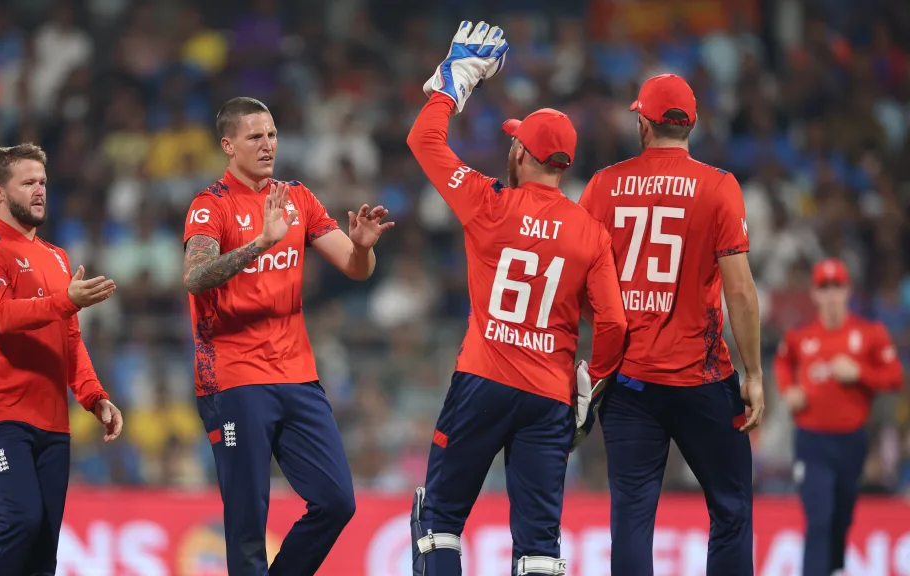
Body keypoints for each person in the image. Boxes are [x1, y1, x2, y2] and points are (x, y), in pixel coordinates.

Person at [406, 21, 627, 576]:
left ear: (522, 154)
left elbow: (423, 140)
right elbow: (615, 325)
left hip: (481, 380)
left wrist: (455, 79)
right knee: (538, 547)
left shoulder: (488, 202)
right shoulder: (590, 232)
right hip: (550, 397)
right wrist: (589, 392)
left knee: (438, 524)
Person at [181, 96, 393, 576]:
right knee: (247, 520)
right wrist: (260, 243)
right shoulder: (210, 205)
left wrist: (362, 248)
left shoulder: (297, 198)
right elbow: (194, 277)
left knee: (337, 501)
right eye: (255, 136)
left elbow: (355, 268)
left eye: (272, 134)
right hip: (233, 379)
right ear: (228, 145)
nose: (267, 144)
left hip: (297, 375)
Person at [578, 73, 765, 576]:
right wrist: (754, 374)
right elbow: (741, 290)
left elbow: (573, 279)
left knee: (633, 519)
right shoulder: (719, 187)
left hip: (629, 380)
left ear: (643, 122)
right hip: (702, 379)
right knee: (730, 508)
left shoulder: (603, 186)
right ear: (692, 124)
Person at [0, 143, 124, 576]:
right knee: (20, 519)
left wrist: (93, 396)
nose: (39, 191)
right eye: (27, 183)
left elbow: (70, 338)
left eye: (43, 183)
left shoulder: (57, 258)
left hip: (52, 422)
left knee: (44, 542)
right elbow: (4, 317)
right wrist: (64, 299)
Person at [775, 258, 904, 576]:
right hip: (812, 441)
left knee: (841, 516)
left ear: (848, 291)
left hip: (851, 441)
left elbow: (894, 377)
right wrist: (788, 390)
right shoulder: (801, 337)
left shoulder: (869, 333)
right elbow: (782, 362)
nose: (831, 295)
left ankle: (834, 568)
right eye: (824, 288)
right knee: (819, 516)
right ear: (815, 295)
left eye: (837, 287)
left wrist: (860, 372)